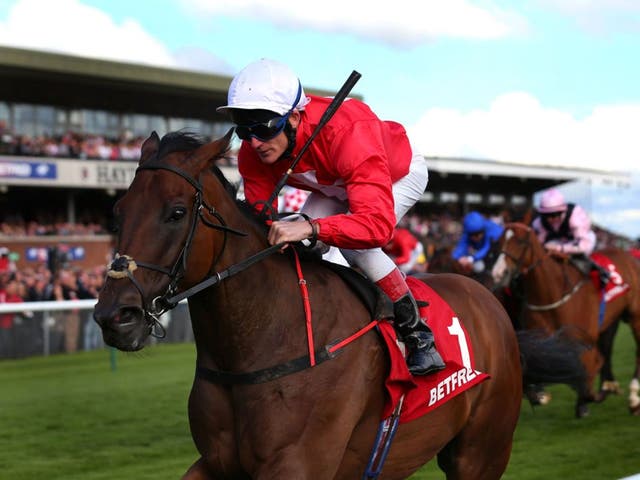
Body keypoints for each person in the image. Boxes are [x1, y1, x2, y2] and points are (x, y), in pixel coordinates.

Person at [217, 58, 444, 375]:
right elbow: (260, 216)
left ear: (294, 118)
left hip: (397, 173)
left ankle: (419, 336)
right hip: (334, 185)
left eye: (263, 129)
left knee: (354, 244)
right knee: (294, 241)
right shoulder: (254, 150)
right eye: (244, 130)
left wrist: (312, 227)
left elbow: (376, 227)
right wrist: (285, 231)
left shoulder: (348, 131)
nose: (254, 142)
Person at [531, 188, 610, 286]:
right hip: (560, 241)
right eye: (546, 215)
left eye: (554, 214)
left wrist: (559, 249)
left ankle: (600, 272)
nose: (550, 219)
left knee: (580, 255)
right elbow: (539, 246)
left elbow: (583, 245)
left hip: (581, 241)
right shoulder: (538, 223)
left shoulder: (575, 216)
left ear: (562, 211)